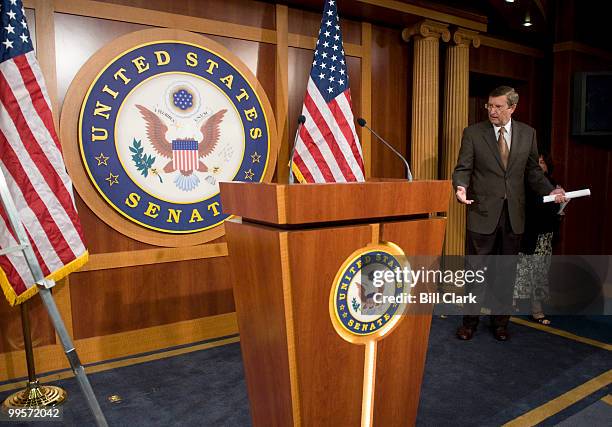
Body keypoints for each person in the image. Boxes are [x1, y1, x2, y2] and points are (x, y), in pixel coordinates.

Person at [452, 86, 566, 341]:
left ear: (512, 108)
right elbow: (463, 167)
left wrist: (552, 190)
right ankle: (469, 323)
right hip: (482, 213)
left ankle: (500, 324)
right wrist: (460, 186)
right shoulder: (473, 133)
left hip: (514, 214)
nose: (492, 111)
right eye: (489, 106)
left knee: (505, 273)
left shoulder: (528, 134)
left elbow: (534, 173)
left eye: (498, 106)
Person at [513, 153, 563, 325]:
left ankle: (537, 310)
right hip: (526, 233)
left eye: (542, 162)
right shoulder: (524, 184)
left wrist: (560, 205)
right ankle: (514, 302)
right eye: (537, 163)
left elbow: (556, 214)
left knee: (540, 273)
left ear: (548, 166)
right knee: (521, 270)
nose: (539, 166)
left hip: (544, 235)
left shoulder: (553, 185)